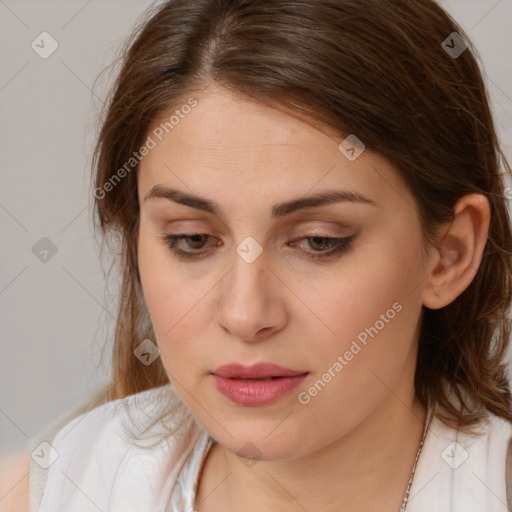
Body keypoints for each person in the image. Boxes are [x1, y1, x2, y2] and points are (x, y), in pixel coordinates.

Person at [25, 0, 512, 510]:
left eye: (319, 241)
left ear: (448, 255)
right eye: (192, 240)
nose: (244, 314)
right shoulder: (77, 473)